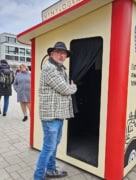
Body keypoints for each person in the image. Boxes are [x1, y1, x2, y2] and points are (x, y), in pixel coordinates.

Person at [34, 42, 77, 180]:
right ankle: (38, 177)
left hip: (58, 114)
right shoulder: (50, 68)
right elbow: (65, 89)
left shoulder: (60, 69)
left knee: (54, 145)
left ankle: (51, 171)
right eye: (58, 52)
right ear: (52, 54)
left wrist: (68, 87)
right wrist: (73, 87)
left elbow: (63, 88)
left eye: (64, 53)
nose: (61, 55)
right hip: (51, 116)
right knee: (48, 148)